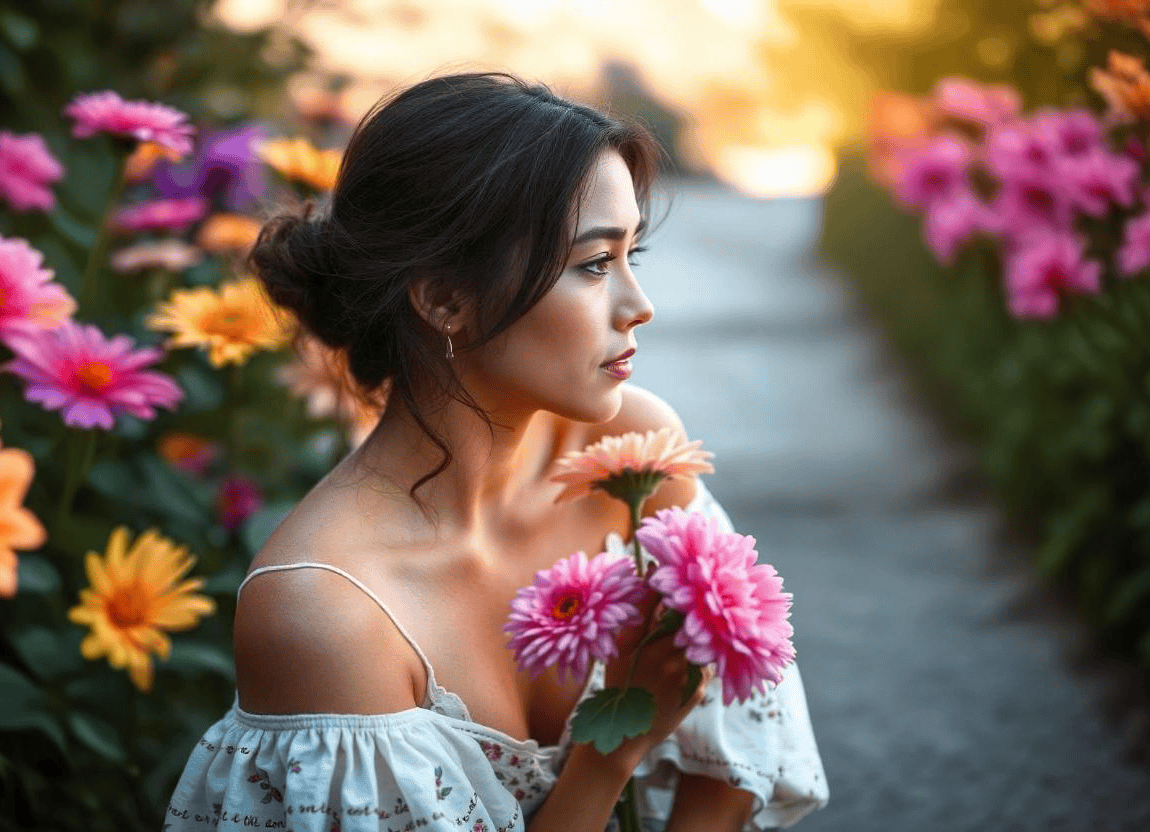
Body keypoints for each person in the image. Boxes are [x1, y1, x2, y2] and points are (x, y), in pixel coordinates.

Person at [165, 72, 827, 832]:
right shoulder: (327, 613)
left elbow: (733, 761)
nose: (639, 306)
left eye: (630, 254)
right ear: (444, 298)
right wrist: (610, 753)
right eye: (591, 264)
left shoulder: (632, 462)